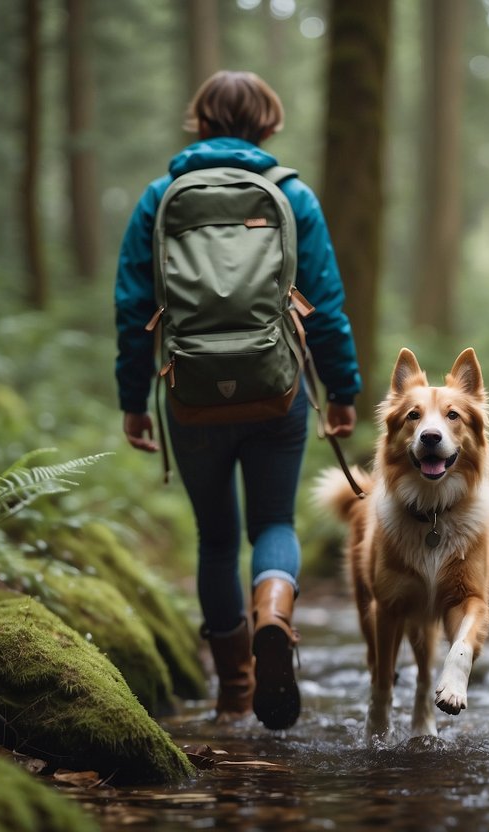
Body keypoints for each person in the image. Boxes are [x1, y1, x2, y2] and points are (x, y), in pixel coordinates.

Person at [113, 70, 361, 730]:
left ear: (198, 121)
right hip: (277, 389)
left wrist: (133, 400)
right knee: (272, 524)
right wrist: (343, 391)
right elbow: (327, 305)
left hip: (189, 391)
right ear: (268, 124)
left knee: (216, 540)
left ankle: (232, 693)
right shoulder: (291, 195)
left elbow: (133, 306)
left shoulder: (160, 197)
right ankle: (273, 614)